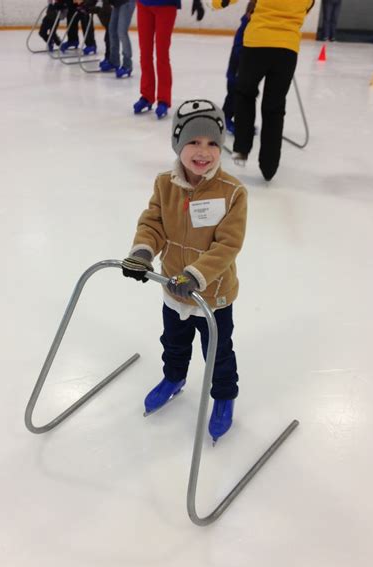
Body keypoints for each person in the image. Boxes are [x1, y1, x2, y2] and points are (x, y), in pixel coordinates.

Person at [121, 100, 248, 443]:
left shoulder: (233, 192)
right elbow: (153, 223)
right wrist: (143, 252)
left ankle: (223, 396)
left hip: (212, 294)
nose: (203, 151)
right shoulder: (166, 183)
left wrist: (195, 275)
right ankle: (174, 378)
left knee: (217, 353)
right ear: (178, 144)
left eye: (212, 143)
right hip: (173, 289)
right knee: (174, 343)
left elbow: (228, 244)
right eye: (194, 141)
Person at [217, 0, 314, 181]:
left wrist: (215, 3)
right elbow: (307, 7)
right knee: (274, 107)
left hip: (257, 43)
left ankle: (242, 148)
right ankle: (269, 166)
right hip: (287, 49)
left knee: (245, 94)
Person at [133, 0, 205, 119]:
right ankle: (147, 95)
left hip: (166, 5)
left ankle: (163, 99)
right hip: (143, 4)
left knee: (162, 55)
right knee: (145, 54)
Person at [221, 0, 256, 135]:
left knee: (244, 98)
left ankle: (242, 123)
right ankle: (225, 119)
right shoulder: (244, 28)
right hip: (235, 72)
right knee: (233, 97)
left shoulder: (254, 27)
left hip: (245, 73)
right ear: (248, 14)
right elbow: (237, 48)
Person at [99, 0, 136, 77]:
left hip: (127, 2)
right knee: (112, 30)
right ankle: (114, 61)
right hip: (117, 3)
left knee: (122, 32)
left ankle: (127, 65)